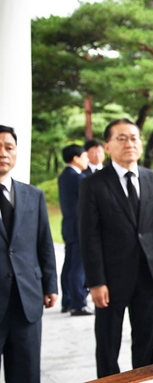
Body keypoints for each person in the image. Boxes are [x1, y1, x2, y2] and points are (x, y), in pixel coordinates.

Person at [78, 119, 153, 377]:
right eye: (122, 138)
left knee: (147, 341)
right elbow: (88, 236)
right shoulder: (93, 184)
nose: (130, 143)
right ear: (107, 146)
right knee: (108, 343)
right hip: (110, 279)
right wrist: (95, 281)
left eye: (134, 138)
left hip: (149, 277)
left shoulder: (152, 179)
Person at [0, 125, 58, 382]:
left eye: (8, 147)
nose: (3, 153)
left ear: (16, 153)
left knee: (25, 372)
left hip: (26, 300)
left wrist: (50, 285)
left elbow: (44, 244)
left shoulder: (33, 195)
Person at [58, 144, 93, 316]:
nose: (87, 160)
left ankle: (68, 301)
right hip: (79, 227)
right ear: (75, 158)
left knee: (70, 265)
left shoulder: (65, 175)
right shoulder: (77, 178)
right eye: (85, 156)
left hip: (69, 226)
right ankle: (78, 304)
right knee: (78, 267)